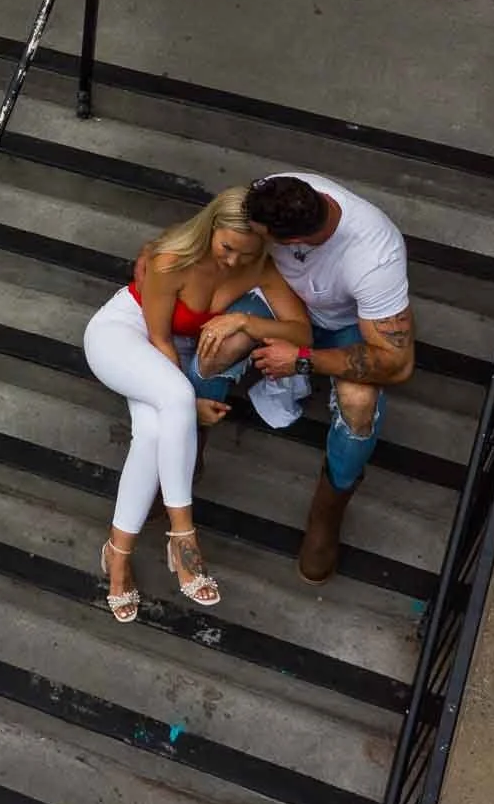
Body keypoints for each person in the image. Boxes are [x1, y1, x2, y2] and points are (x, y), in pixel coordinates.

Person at [84, 187, 313, 622]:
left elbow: (301, 333)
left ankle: (117, 554)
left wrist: (246, 319)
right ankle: (183, 537)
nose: (233, 262)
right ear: (210, 229)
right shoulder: (172, 259)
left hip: (168, 358)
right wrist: (188, 407)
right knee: (175, 397)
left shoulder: (258, 268)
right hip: (124, 334)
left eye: (246, 254)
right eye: (227, 248)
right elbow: (159, 339)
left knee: (152, 433)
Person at [243, 172, 416, 585]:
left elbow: (398, 364)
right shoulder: (274, 190)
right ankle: (186, 456)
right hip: (279, 299)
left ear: (293, 242)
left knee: (359, 405)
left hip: (345, 325)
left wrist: (303, 360)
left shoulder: (375, 255)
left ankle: (329, 507)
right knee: (221, 339)